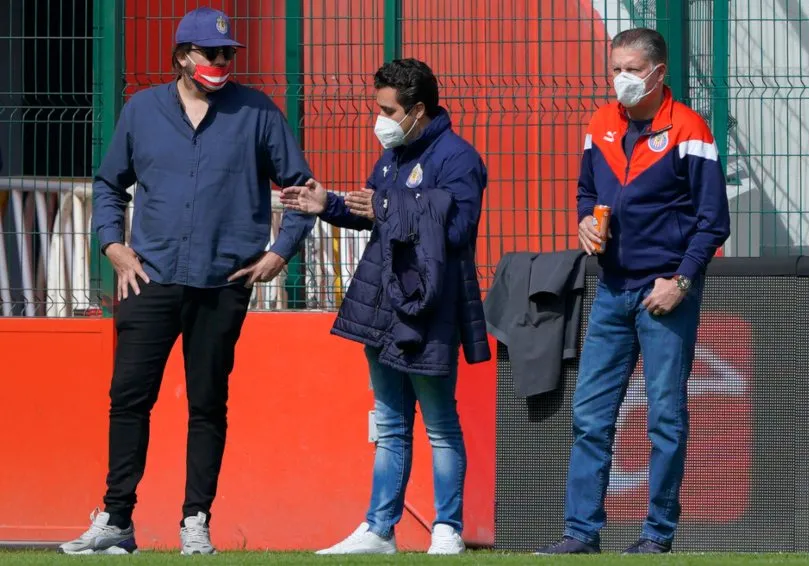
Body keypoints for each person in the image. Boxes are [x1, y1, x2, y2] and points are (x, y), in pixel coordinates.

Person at [59, 7, 315, 555]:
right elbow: (109, 184)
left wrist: (279, 253)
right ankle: (117, 519)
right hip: (149, 279)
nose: (221, 61)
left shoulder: (258, 112)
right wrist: (113, 246)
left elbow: (303, 189)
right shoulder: (142, 110)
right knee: (129, 398)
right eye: (210, 52)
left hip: (223, 282)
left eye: (228, 53)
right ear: (181, 56)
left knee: (207, 404)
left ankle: (195, 521)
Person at [281, 58, 490, 555]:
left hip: (429, 307)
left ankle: (447, 528)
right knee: (390, 423)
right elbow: (372, 212)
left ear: (418, 110)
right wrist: (328, 204)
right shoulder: (393, 156)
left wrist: (389, 207)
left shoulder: (459, 159)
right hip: (382, 304)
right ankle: (379, 530)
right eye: (379, 109)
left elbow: (457, 229)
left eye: (388, 111)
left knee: (439, 424)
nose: (381, 120)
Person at [536, 28, 730, 555]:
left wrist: (681, 281)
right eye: (615, 68)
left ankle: (657, 536)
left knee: (664, 418)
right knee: (590, 418)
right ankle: (581, 534)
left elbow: (713, 222)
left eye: (632, 69)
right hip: (611, 290)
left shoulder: (689, 129)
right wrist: (585, 221)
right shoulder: (600, 122)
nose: (621, 78)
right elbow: (586, 191)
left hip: (664, 294)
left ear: (658, 73)